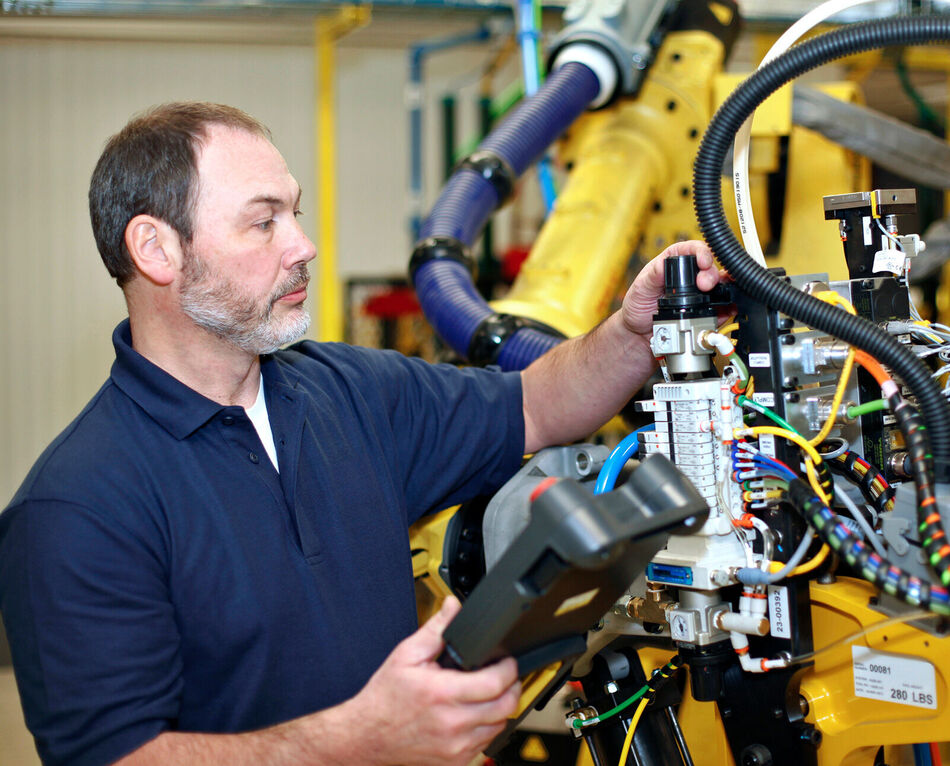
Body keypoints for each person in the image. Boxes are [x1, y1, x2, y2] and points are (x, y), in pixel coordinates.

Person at [0, 102, 721, 766]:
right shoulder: (76, 508)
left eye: (296, 214)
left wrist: (634, 331)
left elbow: (537, 403)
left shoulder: (351, 393)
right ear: (156, 250)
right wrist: (360, 738)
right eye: (264, 222)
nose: (304, 245)